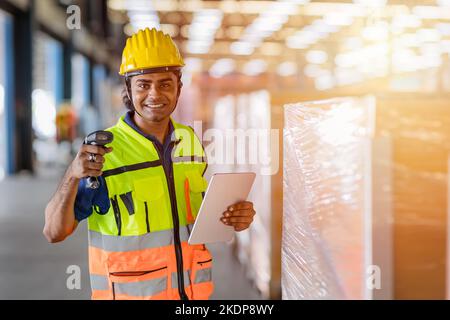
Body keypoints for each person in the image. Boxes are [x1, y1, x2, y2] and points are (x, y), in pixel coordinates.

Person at [43, 28, 256, 300]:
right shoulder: (103, 153)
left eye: (165, 83)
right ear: (129, 90)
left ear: (178, 87)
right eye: (144, 84)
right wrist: (73, 176)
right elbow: (53, 231)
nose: (155, 94)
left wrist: (233, 216)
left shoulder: (189, 141)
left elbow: (191, 216)